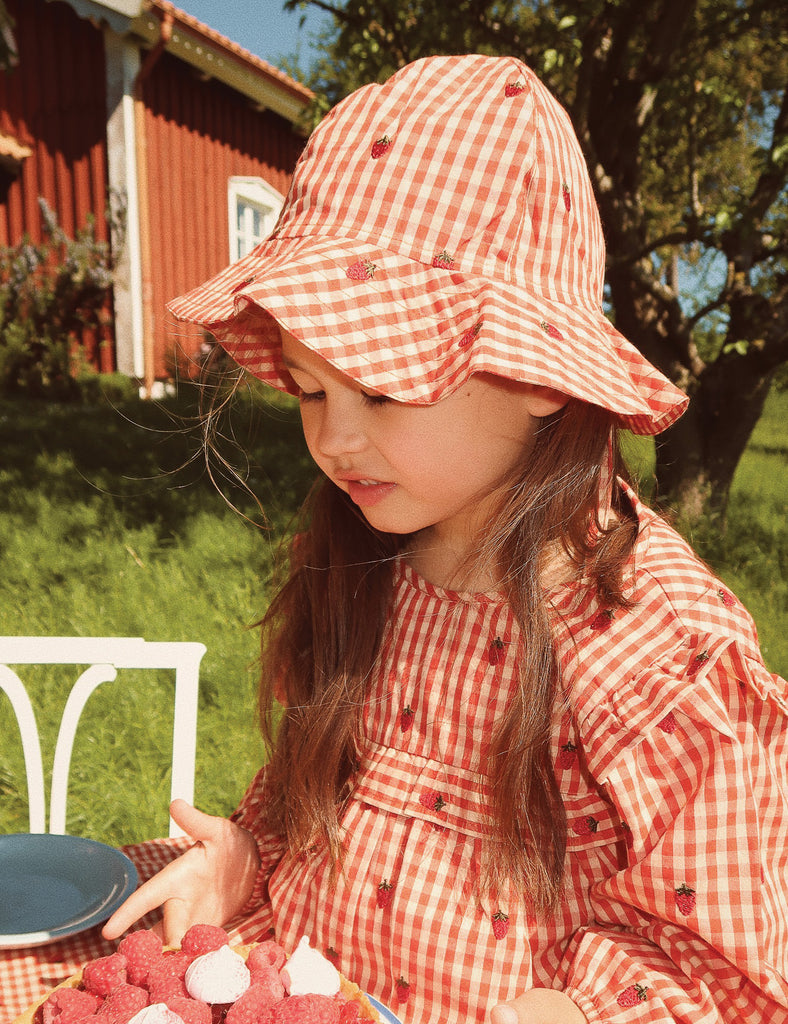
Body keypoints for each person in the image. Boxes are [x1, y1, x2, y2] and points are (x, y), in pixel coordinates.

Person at [102, 55, 788, 1023]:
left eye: (379, 387)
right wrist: (246, 866)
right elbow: (319, 808)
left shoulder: (650, 644)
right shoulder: (365, 561)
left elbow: (717, 969)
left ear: (539, 373)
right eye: (309, 387)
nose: (334, 437)